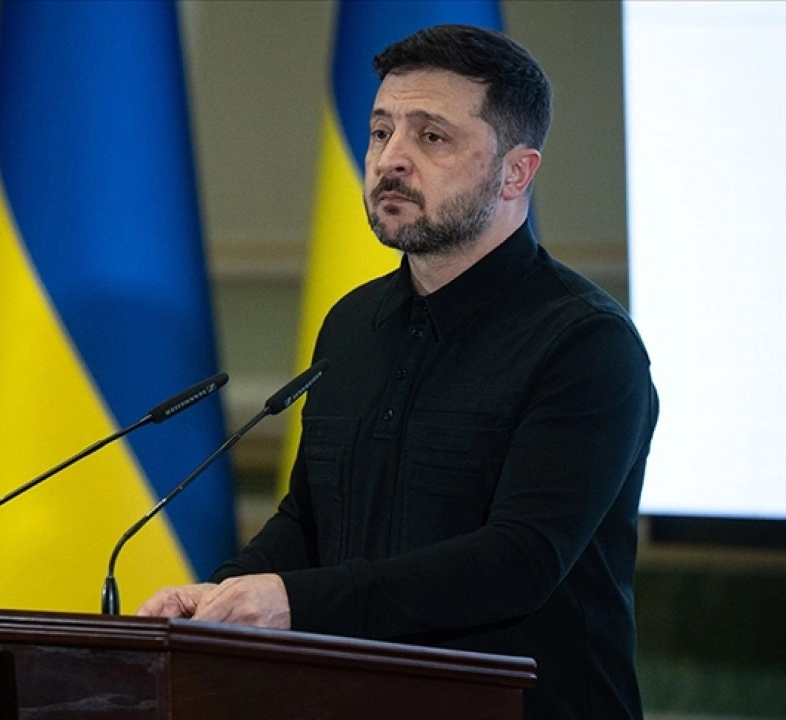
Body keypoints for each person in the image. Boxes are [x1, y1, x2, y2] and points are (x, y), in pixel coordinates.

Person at [138, 24, 658, 720]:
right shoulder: (352, 324)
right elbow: (311, 520)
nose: (391, 160)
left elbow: (519, 561)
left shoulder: (586, 344)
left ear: (516, 173)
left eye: (431, 137)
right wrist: (223, 595)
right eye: (381, 132)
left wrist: (292, 602)